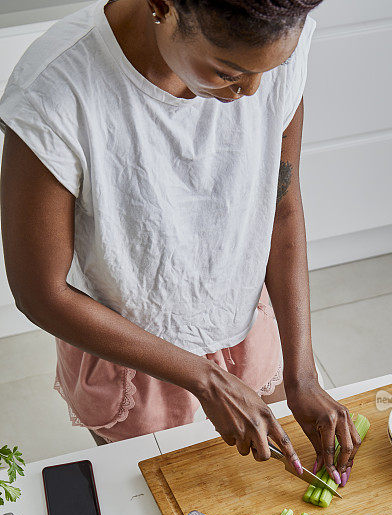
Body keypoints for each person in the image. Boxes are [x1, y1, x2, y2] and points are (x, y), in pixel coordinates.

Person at [0, 0, 360, 487]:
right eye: (228, 71)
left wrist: (302, 376)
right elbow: (40, 292)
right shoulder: (57, 89)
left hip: (246, 327)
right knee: (155, 512)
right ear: (162, 6)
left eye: (268, 70)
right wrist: (206, 380)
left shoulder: (267, 46)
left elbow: (281, 208)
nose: (251, 92)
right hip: (130, 358)